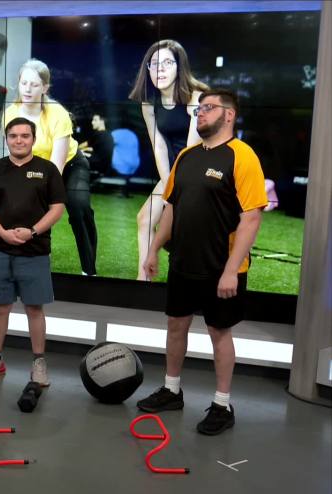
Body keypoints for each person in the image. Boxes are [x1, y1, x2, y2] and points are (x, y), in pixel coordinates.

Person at [136, 89, 268, 435]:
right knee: (175, 325)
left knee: (218, 332)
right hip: (183, 262)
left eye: (208, 108)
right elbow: (171, 208)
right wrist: (154, 249)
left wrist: (230, 271)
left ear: (229, 115)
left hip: (222, 268)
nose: (200, 113)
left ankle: (222, 405)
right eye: (198, 109)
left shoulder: (243, 157)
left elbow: (251, 218)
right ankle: (172, 391)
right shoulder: (187, 156)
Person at [0, 117, 66, 385]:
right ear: (7, 139)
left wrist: (32, 231)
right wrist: (3, 233)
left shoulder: (48, 170)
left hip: (35, 251)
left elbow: (57, 208)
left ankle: (39, 364)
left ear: (33, 139)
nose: (19, 140)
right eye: (13, 136)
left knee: (34, 309)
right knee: (0, 307)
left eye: (25, 136)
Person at [2, 59, 97, 276]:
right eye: (24, 83)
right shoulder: (10, 113)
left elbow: (56, 166)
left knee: (78, 206)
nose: (27, 89)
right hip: (34, 166)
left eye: (34, 84)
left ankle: (89, 271)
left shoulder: (58, 113)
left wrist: (39, 193)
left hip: (69, 165)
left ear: (44, 88)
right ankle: (31, 258)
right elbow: (13, 156)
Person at [129, 39, 209, 280]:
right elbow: (159, 146)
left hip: (199, 170)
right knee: (145, 219)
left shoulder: (196, 97)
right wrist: (167, 183)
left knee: (186, 232)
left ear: (179, 66)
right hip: (172, 172)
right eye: (154, 64)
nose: (160, 69)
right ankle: (143, 281)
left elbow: (193, 149)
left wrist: (173, 189)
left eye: (167, 63)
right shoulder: (148, 102)